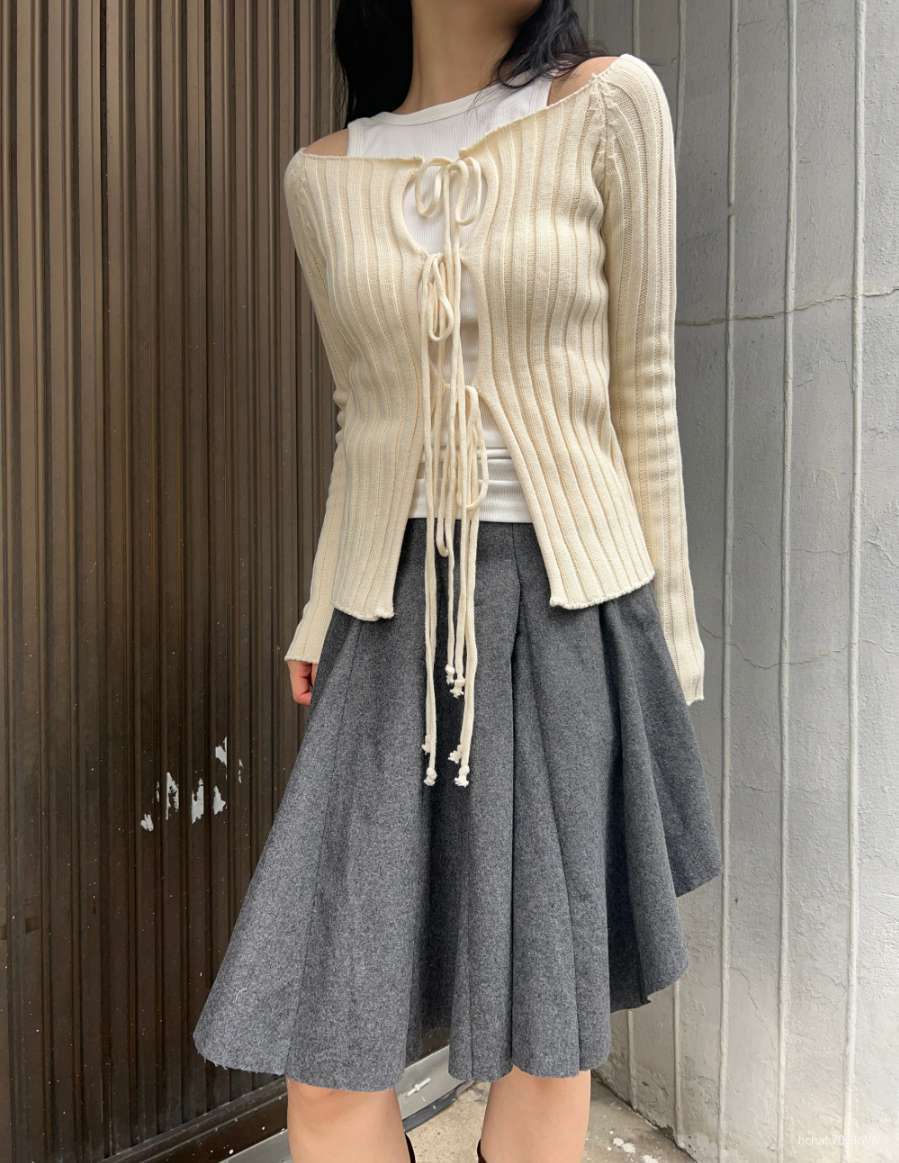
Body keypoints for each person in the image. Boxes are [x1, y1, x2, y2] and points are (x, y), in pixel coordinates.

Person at [193, 2, 723, 1161]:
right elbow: (360, 412)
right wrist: (319, 607)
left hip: (570, 605)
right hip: (389, 611)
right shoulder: (321, 177)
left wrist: (669, 645)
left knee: (548, 1035)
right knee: (331, 1050)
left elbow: (641, 385)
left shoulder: (608, 102)